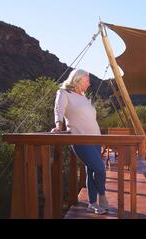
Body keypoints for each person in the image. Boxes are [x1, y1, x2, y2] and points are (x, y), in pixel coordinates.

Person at [51, 69, 109, 215]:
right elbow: (59, 109)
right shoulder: (64, 93)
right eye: (87, 80)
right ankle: (102, 195)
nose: (89, 84)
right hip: (81, 139)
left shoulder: (83, 97)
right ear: (77, 80)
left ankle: (92, 203)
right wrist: (58, 125)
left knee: (92, 170)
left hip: (96, 139)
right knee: (100, 169)